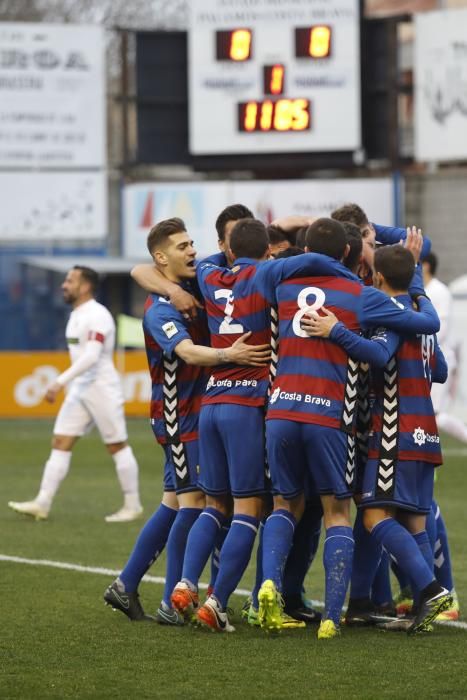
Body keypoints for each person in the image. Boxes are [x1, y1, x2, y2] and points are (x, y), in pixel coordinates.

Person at [257, 219, 441, 640]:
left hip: (280, 409)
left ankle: (268, 585)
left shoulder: (281, 287)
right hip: (329, 415)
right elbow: (425, 326)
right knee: (339, 512)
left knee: (286, 505)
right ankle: (332, 616)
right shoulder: (363, 296)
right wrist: (414, 277)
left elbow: (251, 272)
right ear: (350, 256)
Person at [104, 218, 270, 623]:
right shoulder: (158, 310)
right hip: (179, 419)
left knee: (176, 502)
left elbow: (145, 270)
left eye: (192, 243)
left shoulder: (198, 281)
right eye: (182, 246)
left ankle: (126, 585)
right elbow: (189, 353)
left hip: (201, 413)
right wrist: (232, 355)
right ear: (163, 256)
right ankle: (167, 600)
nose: (192, 251)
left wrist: (177, 286)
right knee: (191, 504)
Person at [305, 244, 453, 635]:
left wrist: (335, 331)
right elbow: (439, 369)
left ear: (380, 278)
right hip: (425, 433)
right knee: (415, 523)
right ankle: (424, 607)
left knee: (372, 515)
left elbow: (380, 356)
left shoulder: (390, 317)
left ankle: (431, 589)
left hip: (394, 430)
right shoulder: (419, 318)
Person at [8, 266, 143, 523]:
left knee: (116, 445)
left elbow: (92, 355)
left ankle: (132, 504)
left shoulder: (98, 315)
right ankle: (42, 502)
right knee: (60, 442)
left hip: (101, 388)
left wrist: (59, 382)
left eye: (70, 281)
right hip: (81, 388)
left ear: (85, 286)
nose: (64, 285)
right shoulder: (76, 315)